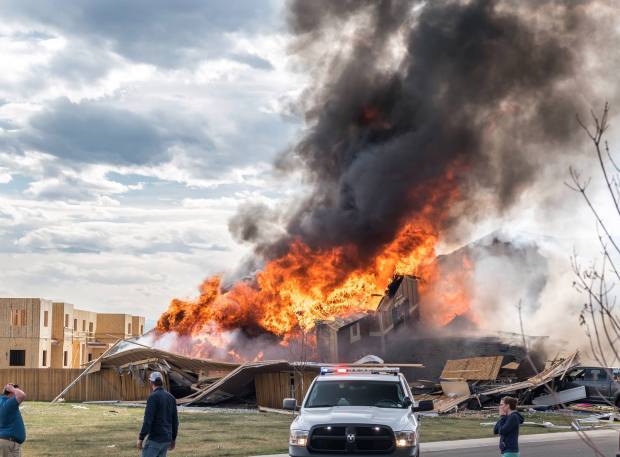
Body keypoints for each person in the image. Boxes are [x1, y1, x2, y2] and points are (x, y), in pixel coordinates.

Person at [137, 372, 179, 457]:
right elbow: (175, 421)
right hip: (166, 439)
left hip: (155, 438)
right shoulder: (171, 398)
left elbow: (148, 420)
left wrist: (141, 438)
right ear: (162, 382)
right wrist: (173, 439)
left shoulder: (153, 397)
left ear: (151, 382)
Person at [0, 383, 26, 457]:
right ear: (11, 392)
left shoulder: (2, 402)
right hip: (8, 444)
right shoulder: (8, 403)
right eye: (16, 392)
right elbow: (22, 395)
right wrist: (13, 389)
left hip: (8, 443)